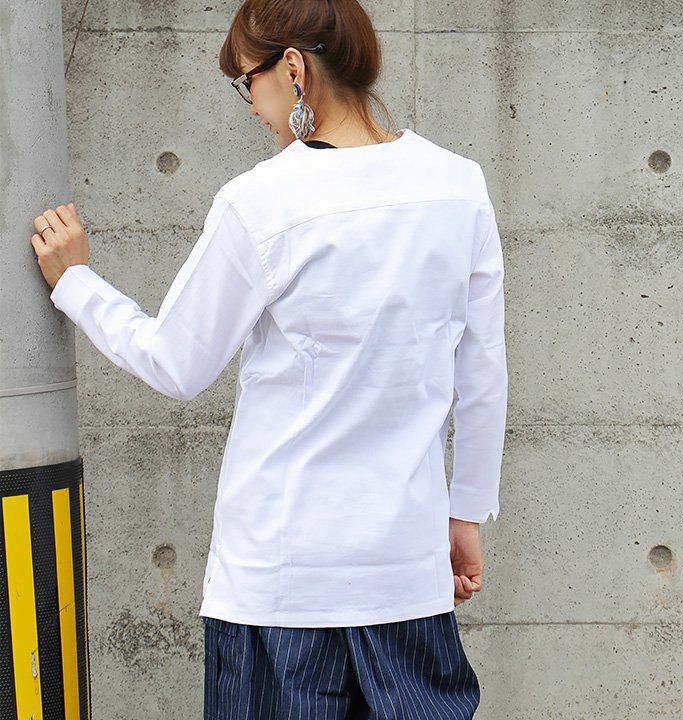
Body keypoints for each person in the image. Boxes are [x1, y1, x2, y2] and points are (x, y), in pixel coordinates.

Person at [30, 0, 508, 717]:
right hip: (406, 579)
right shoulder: (458, 185)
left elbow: (175, 362)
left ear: (293, 69)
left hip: (281, 584)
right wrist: (464, 515)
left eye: (247, 81)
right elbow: (482, 372)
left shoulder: (264, 199)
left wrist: (75, 282)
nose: (251, 105)